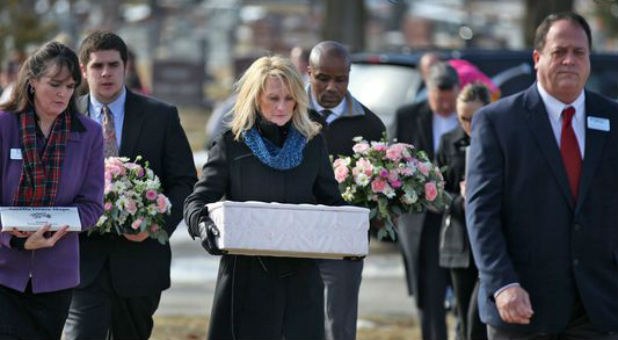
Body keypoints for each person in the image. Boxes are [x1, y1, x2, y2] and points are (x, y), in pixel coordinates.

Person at [465, 12, 618, 340]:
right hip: (522, 306)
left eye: (578, 53)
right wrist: (503, 284)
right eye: (558, 51)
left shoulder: (612, 118)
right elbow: (481, 213)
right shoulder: (498, 122)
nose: (569, 61)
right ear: (537, 58)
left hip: (598, 306)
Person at [184, 55, 346, 340]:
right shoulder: (231, 144)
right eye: (273, 98)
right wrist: (202, 225)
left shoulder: (312, 144)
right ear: (255, 98)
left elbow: (332, 202)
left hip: (300, 281)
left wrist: (358, 224)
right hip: (246, 281)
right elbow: (197, 201)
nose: (282, 106)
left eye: (289, 98)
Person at [63, 31, 197, 340]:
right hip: (83, 262)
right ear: (84, 70)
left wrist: (154, 223)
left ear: (127, 66)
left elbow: (184, 182)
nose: (106, 73)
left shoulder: (160, 116)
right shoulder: (66, 117)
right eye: (97, 66)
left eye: (113, 64)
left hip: (140, 262)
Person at [0, 41, 104, 339]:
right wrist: (15, 240)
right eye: (55, 83)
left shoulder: (89, 134)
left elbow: (92, 205)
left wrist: (53, 228)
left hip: (57, 276)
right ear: (32, 82)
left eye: (71, 86)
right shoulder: (4, 126)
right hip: (4, 272)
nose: (63, 93)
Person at [306, 40, 385, 340]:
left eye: (340, 79)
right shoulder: (288, 113)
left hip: (343, 242)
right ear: (309, 72)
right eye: (322, 78)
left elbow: (382, 185)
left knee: (338, 326)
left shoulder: (369, 124)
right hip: (292, 231)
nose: (331, 88)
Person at [394, 61, 460, 340]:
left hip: (460, 216)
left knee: (465, 295)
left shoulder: (471, 114)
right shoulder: (407, 116)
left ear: (458, 91)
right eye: (438, 100)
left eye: (449, 99)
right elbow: (393, 161)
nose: (445, 106)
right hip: (422, 219)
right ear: (428, 92)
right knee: (429, 298)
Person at [436, 83, 490, 340]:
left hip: (491, 241)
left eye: (475, 118)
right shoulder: (448, 142)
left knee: (478, 316)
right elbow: (435, 193)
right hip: (459, 241)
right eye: (463, 118)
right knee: (462, 315)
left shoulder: (499, 139)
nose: (469, 125)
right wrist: (461, 201)